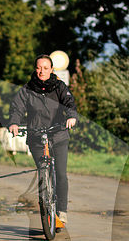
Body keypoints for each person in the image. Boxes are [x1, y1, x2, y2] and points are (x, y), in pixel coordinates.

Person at [7, 54, 77, 225]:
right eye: (39, 68)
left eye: (45, 68)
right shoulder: (27, 90)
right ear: (35, 69)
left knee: (60, 173)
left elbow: (69, 103)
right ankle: (46, 206)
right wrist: (14, 123)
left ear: (51, 70)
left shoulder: (59, 86)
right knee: (43, 172)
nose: (41, 71)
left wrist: (71, 117)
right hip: (36, 136)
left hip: (58, 134)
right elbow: (17, 108)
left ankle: (62, 210)